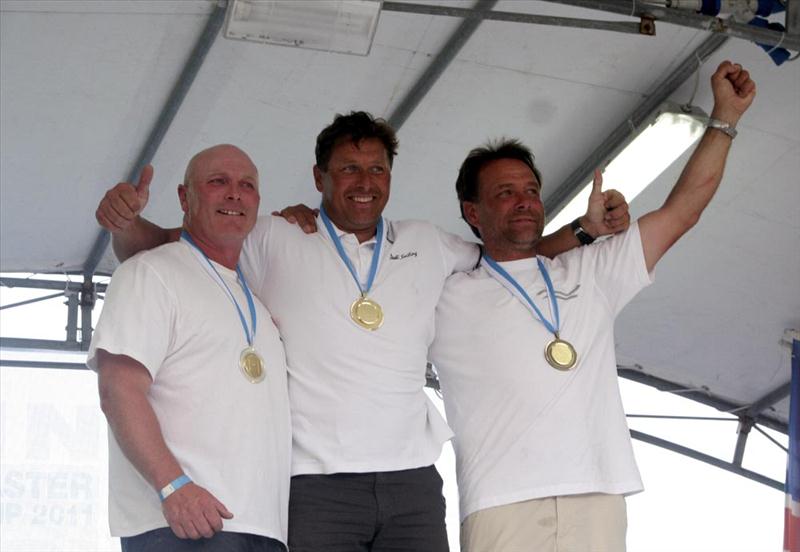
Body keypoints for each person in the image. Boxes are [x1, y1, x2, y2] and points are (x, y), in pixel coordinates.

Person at [95, 114, 629, 551]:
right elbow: (172, 245)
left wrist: (583, 232)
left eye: (377, 169)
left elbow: (511, 258)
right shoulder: (274, 234)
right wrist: (123, 224)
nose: (365, 182)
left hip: (412, 483)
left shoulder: (429, 243)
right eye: (348, 168)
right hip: (315, 487)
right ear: (318, 178)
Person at [429, 60, 756, 552]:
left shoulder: (590, 271)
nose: (524, 201)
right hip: (501, 500)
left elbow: (683, 211)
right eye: (505, 193)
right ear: (472, 213)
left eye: (532, 191)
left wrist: (724, 120)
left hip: (598, 495)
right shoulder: (443, 290)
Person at [88, 145, 291, 552]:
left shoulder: (252, 295)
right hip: (181, 525)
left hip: (262, 530)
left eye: (246, 185)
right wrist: (173, 486)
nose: (235, 194)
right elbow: (118, 389)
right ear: (185, 198)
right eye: (218, 182)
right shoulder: (150, 273)